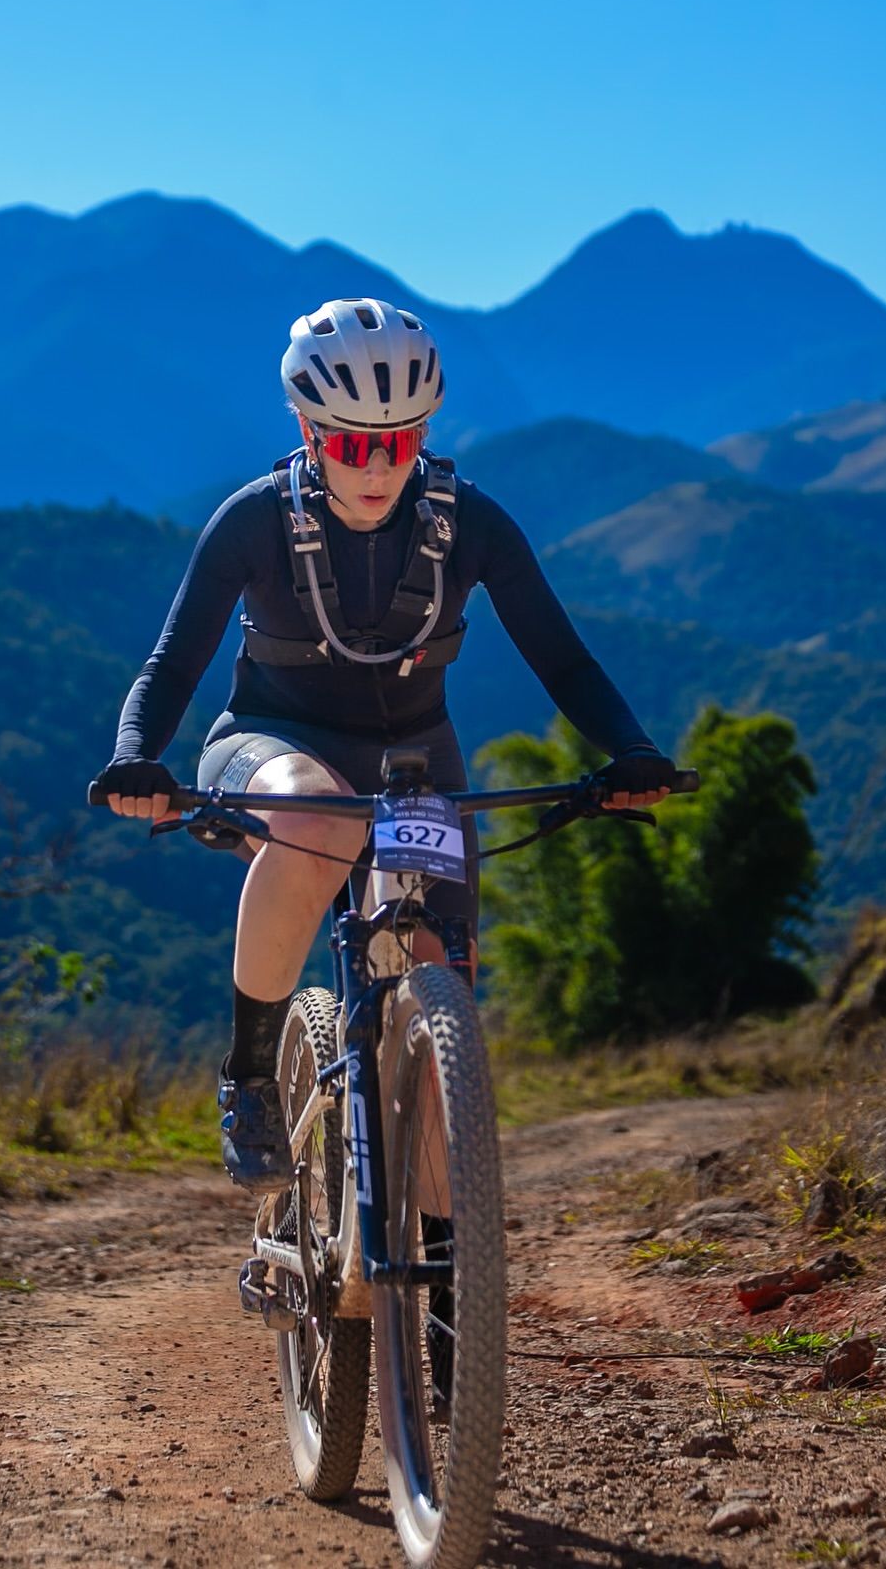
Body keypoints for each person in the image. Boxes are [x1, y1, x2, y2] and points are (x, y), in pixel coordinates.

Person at [91, 297, 678, 1190]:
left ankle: (438, 1257)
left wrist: (630, 751)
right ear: (308, 429)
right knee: (317, 819)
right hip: (270, 744)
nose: (378, 467)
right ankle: (250, 1078)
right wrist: (136, 755)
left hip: (413, 762)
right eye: (352, 444)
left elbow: (564, 658)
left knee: (435, 996)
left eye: (400, 442)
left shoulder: (469, 523)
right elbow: (172, 663)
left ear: (424, 433)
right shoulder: (253, 522)